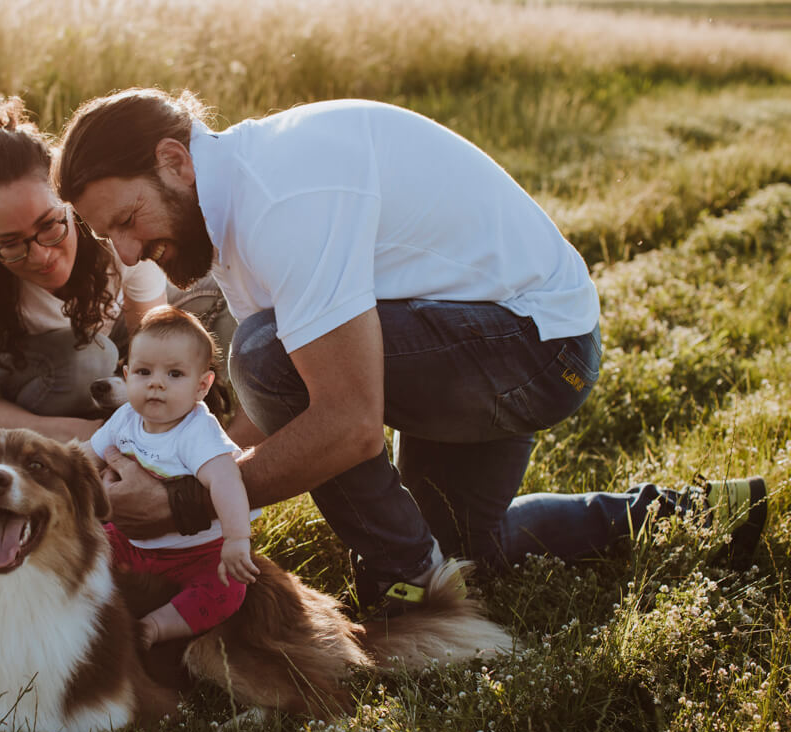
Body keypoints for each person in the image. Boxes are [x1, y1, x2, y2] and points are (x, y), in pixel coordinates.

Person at [54, 88, 769, 619]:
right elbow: (283, 413)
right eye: (108, 235)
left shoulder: (278, 200)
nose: (127, 251)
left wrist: (185, 502)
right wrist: (183, 467)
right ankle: (686, 512)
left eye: (128, 220)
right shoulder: (234, 203)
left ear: (174, 162)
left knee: (265, 356)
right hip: (487, 338)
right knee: (464, 542)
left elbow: (347, 420)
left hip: (533, 348)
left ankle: (407, 583)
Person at [0, 96, 170, 442]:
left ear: (66, 198)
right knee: (90, 360)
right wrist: (91, 434)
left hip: (97, 333)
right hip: (5, 375)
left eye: (50, 224)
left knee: (202, 301)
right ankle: (56, 417)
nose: (41, 256)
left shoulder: (110, 222)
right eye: (10, 243)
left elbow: (153, 341)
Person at [82, 306, 260, 646]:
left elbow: (226, 481)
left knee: (226, 589)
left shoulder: (198, 433)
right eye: (144, 372)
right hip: (130, 540)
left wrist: (237, 540)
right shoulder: (124, 419)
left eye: (175, 374)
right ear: (128, 373)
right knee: (84, 546)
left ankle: (156, 627)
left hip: (196, 552)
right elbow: (85, 457)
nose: (156, 384)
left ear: (202, 386)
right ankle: (81, 606)